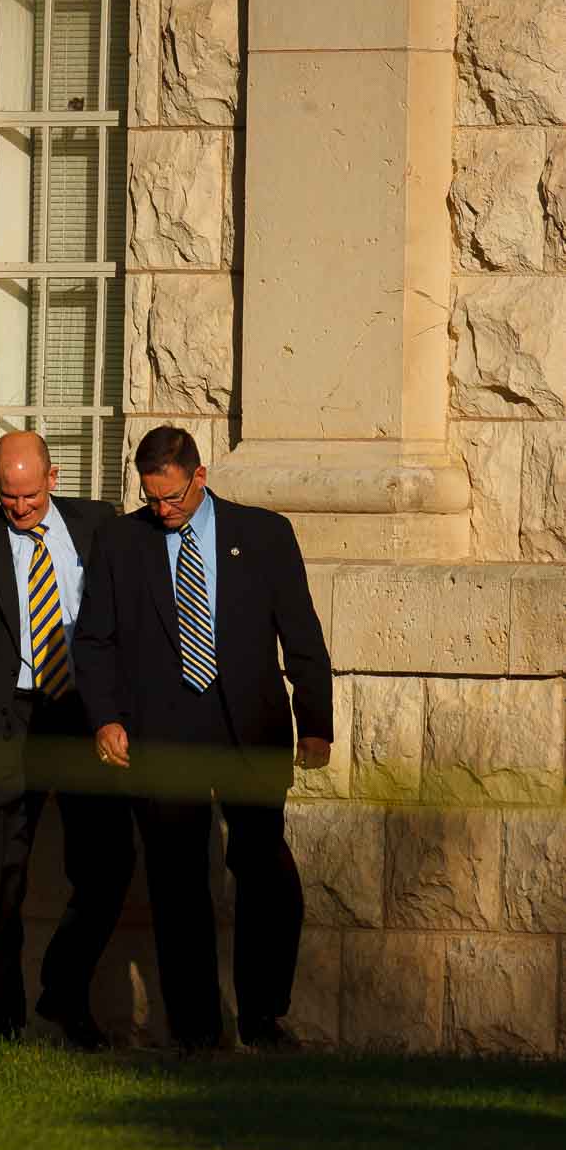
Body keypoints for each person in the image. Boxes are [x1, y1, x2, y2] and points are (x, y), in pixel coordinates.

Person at [73, 425, 333, 1053]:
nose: (162, 511)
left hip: (251, 730)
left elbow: (301, 634)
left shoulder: (265, 535)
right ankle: (196, 1028)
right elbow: (94, 640)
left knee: (265, 872)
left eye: (173, 499)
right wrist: (106, 716)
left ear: (200, 477)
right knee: (178, 881)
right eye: (152, 499)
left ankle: (264, 1016)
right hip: (163, 735)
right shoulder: (120, 541)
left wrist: (316, 721)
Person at [0, 431, 134, 1047]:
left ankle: (64, 994)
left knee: (109, 865)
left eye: (30, 495)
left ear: (53, 476)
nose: (19, 508)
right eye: (7, 495)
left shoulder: (101, 527)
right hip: (2, 722)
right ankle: (2, 1020)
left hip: (80, 717)